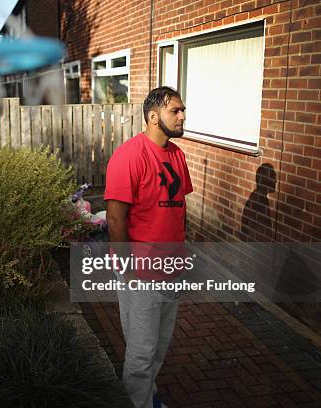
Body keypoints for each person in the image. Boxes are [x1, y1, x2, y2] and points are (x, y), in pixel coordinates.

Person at [104, 86, 192, 408]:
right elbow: (115, 218)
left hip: (172, 269)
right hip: (140, 273)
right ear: (153, 116)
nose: (183, 116)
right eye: (176, 111)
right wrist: (125, 270)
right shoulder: (128, 156)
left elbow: (178, 207)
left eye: (183, 110)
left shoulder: (177, 156)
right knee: (140, 353)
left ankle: (147, 398)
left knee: (159, 346)